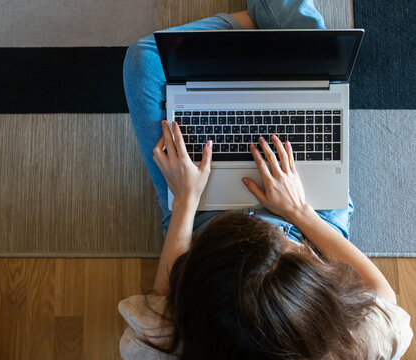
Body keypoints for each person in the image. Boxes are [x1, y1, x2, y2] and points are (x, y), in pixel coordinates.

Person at [119, 0, 413, 358]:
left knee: (143, 60)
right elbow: (382, 293)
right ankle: (271, 32)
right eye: (288, 255)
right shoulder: (362, 343)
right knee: (319, 56)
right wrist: (298, 212)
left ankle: (256, 30)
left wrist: (184, 202)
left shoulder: (153, 346)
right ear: (314, 300)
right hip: (310, 222)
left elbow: (161, 300)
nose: (260, 222)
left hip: (201, 219)